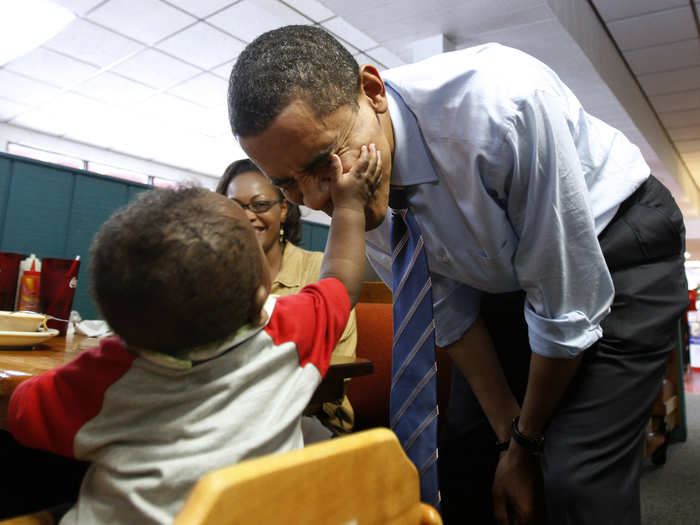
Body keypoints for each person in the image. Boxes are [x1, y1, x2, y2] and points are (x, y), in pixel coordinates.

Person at [227, 25, 689, 525]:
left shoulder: (500, 106)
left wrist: (525, 443)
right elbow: (447, 309)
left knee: (574, 477)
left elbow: (563, 305)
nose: (318, 200)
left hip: (614, 247)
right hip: (501, 276)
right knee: (466, 460)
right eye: (285, 185)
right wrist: (506, 434)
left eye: (322, 163)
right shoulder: (355, 181)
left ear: (374, 92)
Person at [7, 143, 380, 525]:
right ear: (260, 295)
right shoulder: (287, 332)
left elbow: (22, 412)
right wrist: (349, 205)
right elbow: (340, 281)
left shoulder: (108, 373)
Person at [216, 159, 357, 438]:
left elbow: (337, 373)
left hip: (308, 416)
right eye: (235, 207)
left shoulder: (319, 272)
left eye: (259, 205)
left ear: (283, 209)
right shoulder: (213, 276)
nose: (247, 216)